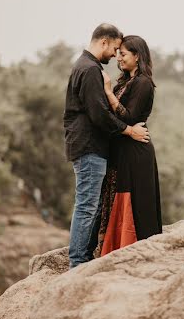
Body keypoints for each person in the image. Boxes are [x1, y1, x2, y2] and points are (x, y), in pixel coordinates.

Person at [64, 23, 150, 269]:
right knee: (87, 206)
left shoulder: (85, 66)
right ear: (103, 42)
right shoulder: (91, 69)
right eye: (114, 49)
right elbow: (98, 114)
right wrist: (128, 130)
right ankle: (78, 262)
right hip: (89, 146)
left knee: (91, 205)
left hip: (88, 146)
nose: (114, 55)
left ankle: (83, 256)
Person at [95, 35, 162, 257]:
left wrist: (107, 92)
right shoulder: (126, 82)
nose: (118, 58)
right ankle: (112, 250)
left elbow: (130, 117)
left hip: (136, 151)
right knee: (114, 197)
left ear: (137, 56)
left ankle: (132, 250)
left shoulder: (143, 82)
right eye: (118, 54)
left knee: (133, 201)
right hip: (123, 149)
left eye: (123, 54)